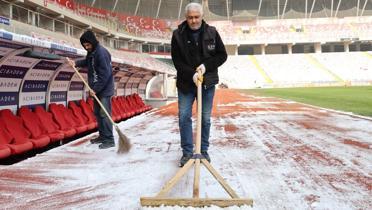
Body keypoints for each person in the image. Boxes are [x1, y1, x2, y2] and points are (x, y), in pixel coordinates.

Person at [171, 3, 227, 167]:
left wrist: (205, 66)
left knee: (205, 119)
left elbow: (222, 55)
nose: (194, 20)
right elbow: (177, 61)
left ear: (202, 16)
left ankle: (203, 150)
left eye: (196, 17)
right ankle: (187, 153)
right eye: (190, 17)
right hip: (186, 84)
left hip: (207, 83)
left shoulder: (212, 32)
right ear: (186, 17)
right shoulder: (177, 35)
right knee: (184, 117)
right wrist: (192, 74)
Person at [68, 30, 115, 149]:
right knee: (98, 114)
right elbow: (87, 62)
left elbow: (105, 75)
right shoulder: (92, 52)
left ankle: (109, 140)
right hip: (96, 89)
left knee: (104, 114)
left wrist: (96, 89)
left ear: (93, 42)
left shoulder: (101, 53)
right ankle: (103, 136)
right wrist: (76, 63)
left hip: (104, 90)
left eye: (88, 45)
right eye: (84, 46)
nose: (86, 47)